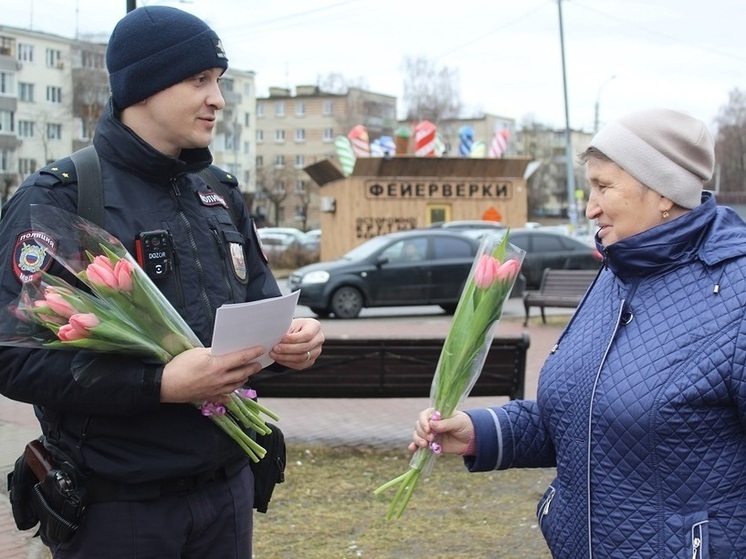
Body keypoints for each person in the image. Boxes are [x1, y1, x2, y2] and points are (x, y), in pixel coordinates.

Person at [0, 6, 324, 558]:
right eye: (199, 80)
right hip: (119, 509)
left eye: (218, 81)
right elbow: (12, 356)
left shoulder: (219, 193)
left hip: (226, 490)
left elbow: (263, 295)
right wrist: (160, 386)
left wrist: (298, 331)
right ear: (143, 87)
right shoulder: (60, 198)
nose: (217, 98)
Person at [409, 108, 746, 558]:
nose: (590, 207)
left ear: (664, 192)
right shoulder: (615, 273)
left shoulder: (737, 291)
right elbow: (577, 418)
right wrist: (478, 432)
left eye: (604, 186)